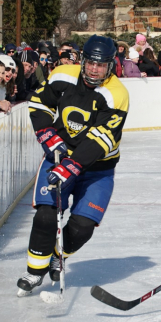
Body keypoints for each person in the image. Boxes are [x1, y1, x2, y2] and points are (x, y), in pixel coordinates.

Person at [16, 35, 129, 295]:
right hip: (58, 155)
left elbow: (102, 139)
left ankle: (59, 255)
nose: (94, 69)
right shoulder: (62, 75)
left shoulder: (116, 94)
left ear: (111, 65)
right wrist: (46, 133)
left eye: (101, 65)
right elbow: (39, 102)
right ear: (82, 61)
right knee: (46, 215)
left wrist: (73, 165)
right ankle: (34, 273)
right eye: (90, 63)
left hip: (98, 168)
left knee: (83, 226)